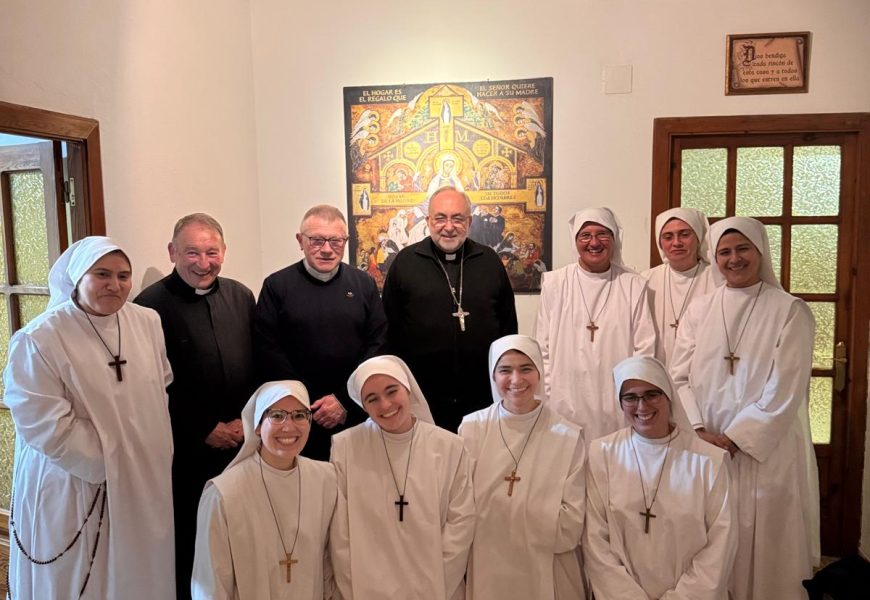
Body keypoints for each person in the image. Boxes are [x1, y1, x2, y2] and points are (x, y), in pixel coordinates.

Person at [4, 236, 175, 599]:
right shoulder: (40, 338)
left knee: (142, 568)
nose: (115, 284)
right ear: (77, 277)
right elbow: (42, 421)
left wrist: (147, 456)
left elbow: (160, 385)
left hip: (144, 476)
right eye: (102, 274)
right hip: (77, 480)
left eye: (123, 276)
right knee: (86, 574)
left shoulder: (147, 321)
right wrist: (108, 464)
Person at [671, 216, 819, 600]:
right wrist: (700, 430)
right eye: (724, 252)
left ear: (760, 252)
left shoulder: (790, 310)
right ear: (715, 257)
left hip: (764, 450)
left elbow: (786, 387)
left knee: (767, 543)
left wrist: (736, 438)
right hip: (708, 446)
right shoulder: (701, 309)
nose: (734, 259)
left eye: (742, 249)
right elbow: (678, 375)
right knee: (713, 537)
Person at [135, 213, 256, 599]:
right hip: (185, 451)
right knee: (192, 543)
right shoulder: (147, 307)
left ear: (224, 252)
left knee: (240, 536)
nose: (203, 263)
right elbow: (149, 387)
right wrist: (203, 427)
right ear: (172, 252)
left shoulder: (241, 295)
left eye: (211, 252)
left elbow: (257, 362)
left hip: (242, 444)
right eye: (192, 252)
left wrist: (247, 421)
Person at [585, 355, 737, 599]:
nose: (642, 406)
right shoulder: (601, 453)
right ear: (620, 403)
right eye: (630, 397)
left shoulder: (709, 460)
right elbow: (595, 541)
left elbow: (720, 546)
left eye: (651, 394)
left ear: (669, 396)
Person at [330, 355, 475, 600]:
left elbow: (461, 522)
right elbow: (339, 531)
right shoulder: (345, 446)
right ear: (363, 406)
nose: (385, 405)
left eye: (391, 391)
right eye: (372, 399)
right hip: (367, 588)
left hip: (436, 587)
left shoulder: (449, 446)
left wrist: (437, 584)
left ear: (407, 388)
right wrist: (353, 587)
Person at [254, 204, 388, 460]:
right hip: (297, 414)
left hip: (353, 409)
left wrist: (343, 400)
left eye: (336, 241)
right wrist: (305, 403)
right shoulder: (277, 286)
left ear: (346, 241)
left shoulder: (363, 284)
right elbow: (267, 349)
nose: (327, 249)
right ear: (300, 241)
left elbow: (377, 344)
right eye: (316, 240)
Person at [459, 335, 586, 600]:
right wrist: (536, 511)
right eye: (505, 370)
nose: (516, 380)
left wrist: (495, 517)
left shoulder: (567, 435)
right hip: (488, 568)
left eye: (526, 368)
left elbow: (570, 527)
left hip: (549, 569)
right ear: (493, 375)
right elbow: (460, 508)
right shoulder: (471, 429)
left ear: (539, 371)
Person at [382, 187, 518, 432]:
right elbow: (389, 331)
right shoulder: (405, 262)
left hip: (482, 394)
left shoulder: (488, 261)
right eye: (440, 218)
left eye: (457, 218)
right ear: (428, 221)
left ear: (470, 221)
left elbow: (508, 328)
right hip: (421, 396)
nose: (449, 226)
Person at [191, 380, 337, 599]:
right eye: (277, 415)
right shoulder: (223, 493)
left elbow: (329, 565)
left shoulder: (326, 479)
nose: (289, 426)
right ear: (258, 425)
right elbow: (210, 583)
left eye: (299, 415)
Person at [536, 207, 656, 443]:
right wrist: (548, 400)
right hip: (565, 401)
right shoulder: (555, 283)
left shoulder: (633, 285)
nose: (594, 242)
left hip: (616, 402)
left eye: (602, 234)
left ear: (614, 239)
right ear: (575, 240)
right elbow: (543, 350)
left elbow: (644, 350)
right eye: (585, 235)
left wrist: (633, 400)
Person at [641, 207, 717, 365]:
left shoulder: (716, 279)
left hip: (702, 371)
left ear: (698, 237)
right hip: (657, 373)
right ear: (660, 242)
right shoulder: (646, 280)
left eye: (684, 234)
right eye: (668, 237)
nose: (676, 243)